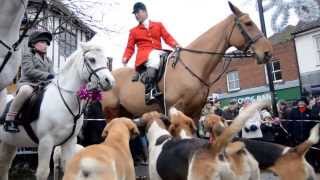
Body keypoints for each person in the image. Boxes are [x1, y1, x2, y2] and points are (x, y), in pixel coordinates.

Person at [122, 2, 180, 105]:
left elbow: (167, 37)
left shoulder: (158, 25)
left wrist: (175, 45)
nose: (136, 15)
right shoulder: (133, 31)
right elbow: (130, 47)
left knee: (172, 59)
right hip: (144, 57)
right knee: (154, 57)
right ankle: (149, 92)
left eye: (137, 12)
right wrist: (126, 57)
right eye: (134, 14)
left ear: (145, 12)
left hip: (160, 53)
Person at [4, 31, 54, 133]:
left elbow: (52, 74)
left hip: (43, 86)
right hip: (28, 83)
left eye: (46, 43)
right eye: (42, 42)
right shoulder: (28, 55)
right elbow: (29, 71)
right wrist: (47, 75)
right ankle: (9, 120)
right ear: (34, 43)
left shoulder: (48, 60)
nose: (45, 45)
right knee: (26, 91)